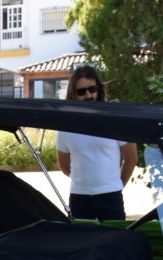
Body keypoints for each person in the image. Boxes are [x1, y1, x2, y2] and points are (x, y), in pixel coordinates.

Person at [56, 66, 138, 221]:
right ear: (73, 94)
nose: (88, 95)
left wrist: (115, 185)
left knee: (115, 237)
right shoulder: (66, 126)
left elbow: (131, 158)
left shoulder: (115, 119)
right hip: (79, 198)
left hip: (111, 198)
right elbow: (64, 165)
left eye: (92, 89)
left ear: (99, 90)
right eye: (81, 92)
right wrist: (86, 183)